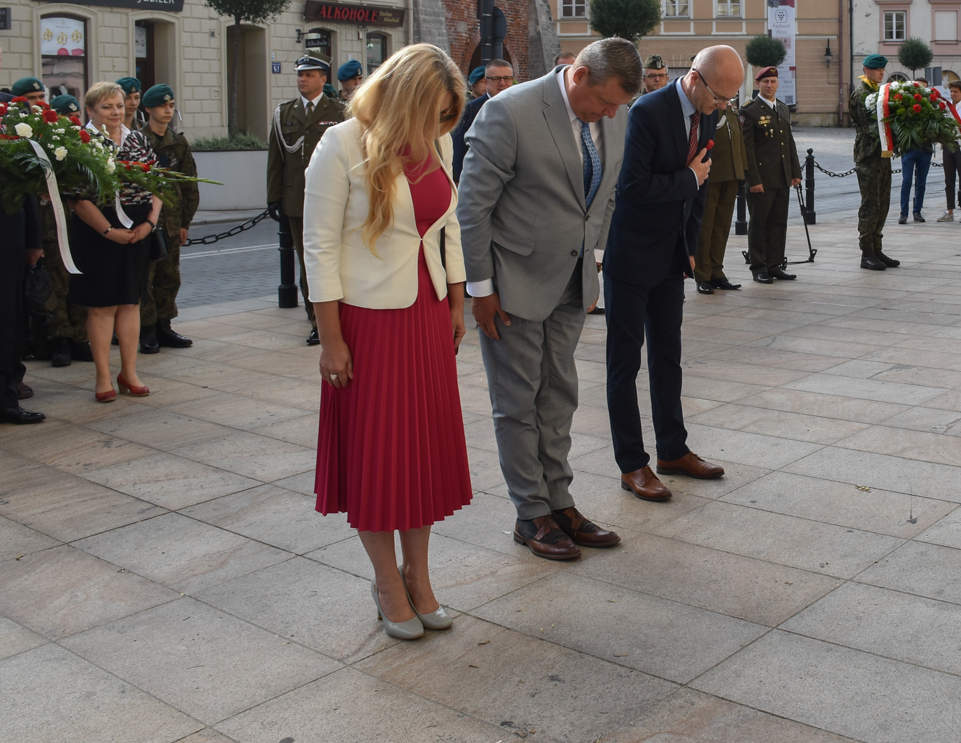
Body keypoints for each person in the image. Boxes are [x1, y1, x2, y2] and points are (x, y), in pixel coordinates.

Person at [305, 43, 470, 641]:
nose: (440, 128)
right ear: (405, 100)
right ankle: (386, 582)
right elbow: (319, 248)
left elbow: (447, 225)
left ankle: (420, 578)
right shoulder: (341, 144)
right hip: (367, 322)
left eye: (448, 117)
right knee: (379, 459)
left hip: (425, 314)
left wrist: (455, 299)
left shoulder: (441, 142)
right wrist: (331, 340)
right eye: (434, 114)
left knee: (420, 455)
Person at [458, 39, 631, 560]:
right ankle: (530, 512)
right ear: (577, 75)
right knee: (517, 403)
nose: (610, 114)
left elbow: (606, 197)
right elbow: (472, 208)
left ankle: (560, 500)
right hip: (512, 285)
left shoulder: (614, 114)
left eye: (617, 107)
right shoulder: (508, 111)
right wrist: (480, 291)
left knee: (559, 396)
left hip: (573, 282)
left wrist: (595, 259)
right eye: (603, 103)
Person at [604, 45, 741, 502]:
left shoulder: (709, 115)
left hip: (671, 255)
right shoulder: (647, 110)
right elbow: (634, 187)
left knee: (669, 358)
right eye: (720, 97)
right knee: (625, 364)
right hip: (632, 254)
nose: (723, 107)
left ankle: (672, 450)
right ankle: (632, 463)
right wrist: (688, 180)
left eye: (729, 101)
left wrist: (693, 248)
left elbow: (699, 189)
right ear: (697, 80)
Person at [67, 82, 163, 402]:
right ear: (91, 110)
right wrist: (109, 231)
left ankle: (130, 372)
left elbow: (158, 183)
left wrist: (150, 222)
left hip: (137, 230)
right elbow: (77, 198)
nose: (116, 112)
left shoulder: (137, 139)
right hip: (98, 233)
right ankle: (103, 377)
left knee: (131, 302)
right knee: (103, 305)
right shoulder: (80, 143)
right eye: (107, 107)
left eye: (119, 105)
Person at [267, 55, 348, 346]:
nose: (303, 79)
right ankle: (317, 321)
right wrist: (273, 196)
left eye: (310, 75)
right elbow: (276, 158)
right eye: (300, 75)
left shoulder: (340, 112)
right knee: (309, 262)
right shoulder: (284, 113)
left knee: (338, 259)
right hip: (298, 200)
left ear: (323, 79)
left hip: (334, 199)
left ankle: (341, 315)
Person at [136, 84, 198, 354]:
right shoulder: (136, 141)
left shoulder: (178, 143)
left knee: (169, 276)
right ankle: (146, 330)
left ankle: (164, 325)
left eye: (171, 106)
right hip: (145, 221)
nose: (167, 110)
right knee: (145, 278)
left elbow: (189, 185)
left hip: (172, 222)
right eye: (162, 106)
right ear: (148, 109)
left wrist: (185, 223)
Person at [40, 95, 90, 367]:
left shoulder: (83, 149)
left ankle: (81, 339)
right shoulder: (43, 150)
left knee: (79, 282)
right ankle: (60, 339)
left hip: (81, 228)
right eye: (65, 118)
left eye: (75, 118)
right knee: (56, 287)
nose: (72, 123)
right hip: (52, 229)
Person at [741, 65, 801, 283]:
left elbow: (789, 144)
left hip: (782, 177)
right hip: (761, 181)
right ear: (758, 84)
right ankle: (758, 267)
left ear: (777, 84)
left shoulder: (783, 109)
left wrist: (795, 172)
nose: (769, 85)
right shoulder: (749, 111)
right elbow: (747, 149)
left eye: (773, 82)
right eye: (765, 82)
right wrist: (753, 179)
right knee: (759, 224)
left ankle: (774, 265)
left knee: (778, 223)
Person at [694, 87, 749, 295]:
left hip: (730, 173)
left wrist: (742, 169)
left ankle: (717, 271)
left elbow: (738, 141)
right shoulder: (707, 108)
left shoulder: (731, 109)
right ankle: (703, 274)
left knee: (722, 227)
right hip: (711, 174)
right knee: (705, 227)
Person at [0, 194, 43, 424]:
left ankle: (4, 400)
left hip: (5, 237)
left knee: (5, 322)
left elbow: (25, 187)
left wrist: (34, 240)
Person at [850, 55, 899, 271]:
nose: (881, 73)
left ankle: (877, 248)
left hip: (883, 155)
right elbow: (870, 126)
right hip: (868, 155)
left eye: (882, 69)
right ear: (866, 70)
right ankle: (866, 252)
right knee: (871, 204)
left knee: (883, 203)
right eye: (877, 69)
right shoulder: (862, 95)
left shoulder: (879, 93)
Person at [452, 60, 515, 181]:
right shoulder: (470, 110)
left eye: (507, 78)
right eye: (496, 79)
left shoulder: (521, 106)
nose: (502, 83)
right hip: (480, 181)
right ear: (486, 82)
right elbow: (460, 151)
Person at [937, 80, 961, 223]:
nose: (953, 94)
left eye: (955, 92)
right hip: (948, 143)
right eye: (951, 91)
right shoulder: (946, 106)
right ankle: (949, 211)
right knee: (949, 179)